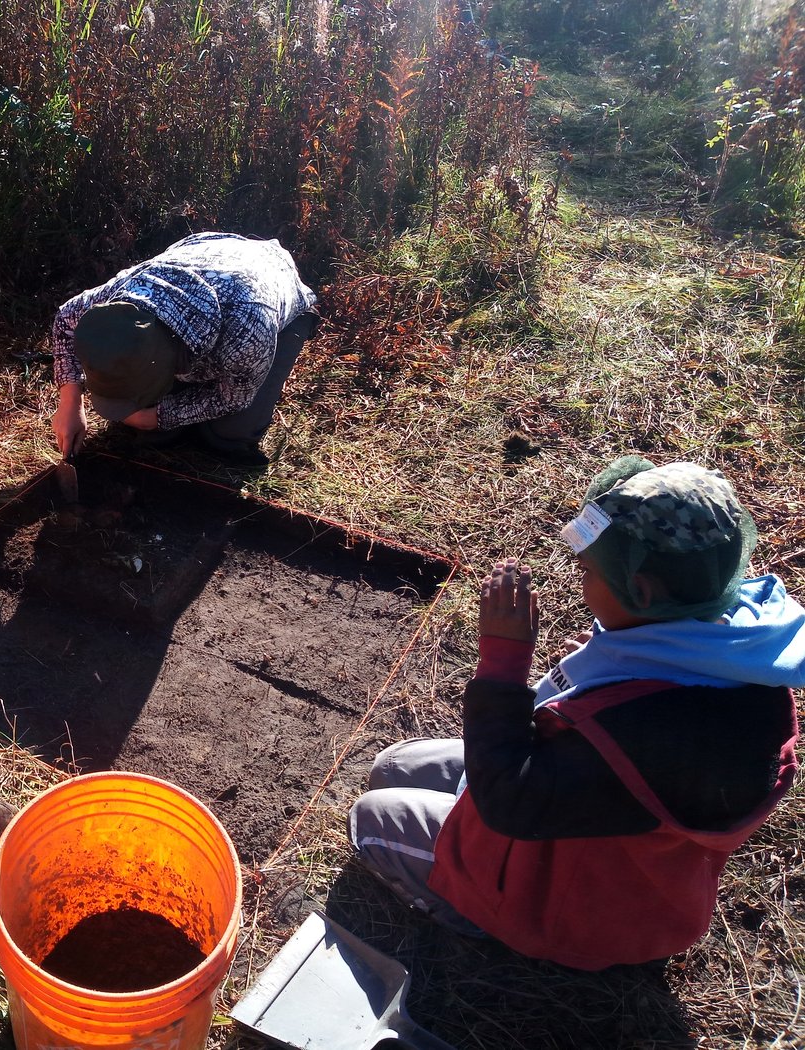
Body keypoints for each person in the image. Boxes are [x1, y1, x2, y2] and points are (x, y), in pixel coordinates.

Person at [347, 457, 803, 970]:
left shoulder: (642, 738)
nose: (580, 581)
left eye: (588, 572)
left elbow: (510, 802)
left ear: (644, 591)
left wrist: (503, 663)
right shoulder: (732, 642)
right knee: (393, 765)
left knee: (368, 821)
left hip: (575, 910)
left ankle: (479, 917)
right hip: (600, 846)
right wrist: (608, 662)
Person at [50, 231, 318, 468]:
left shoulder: (248, 329)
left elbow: (234, 398)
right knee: (151, 432)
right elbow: (65, 320)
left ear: (170, 364)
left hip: (273, 291)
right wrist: (71, 404)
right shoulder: (119, 299)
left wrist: (161, 417)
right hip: (205, 253)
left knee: (228, 435)